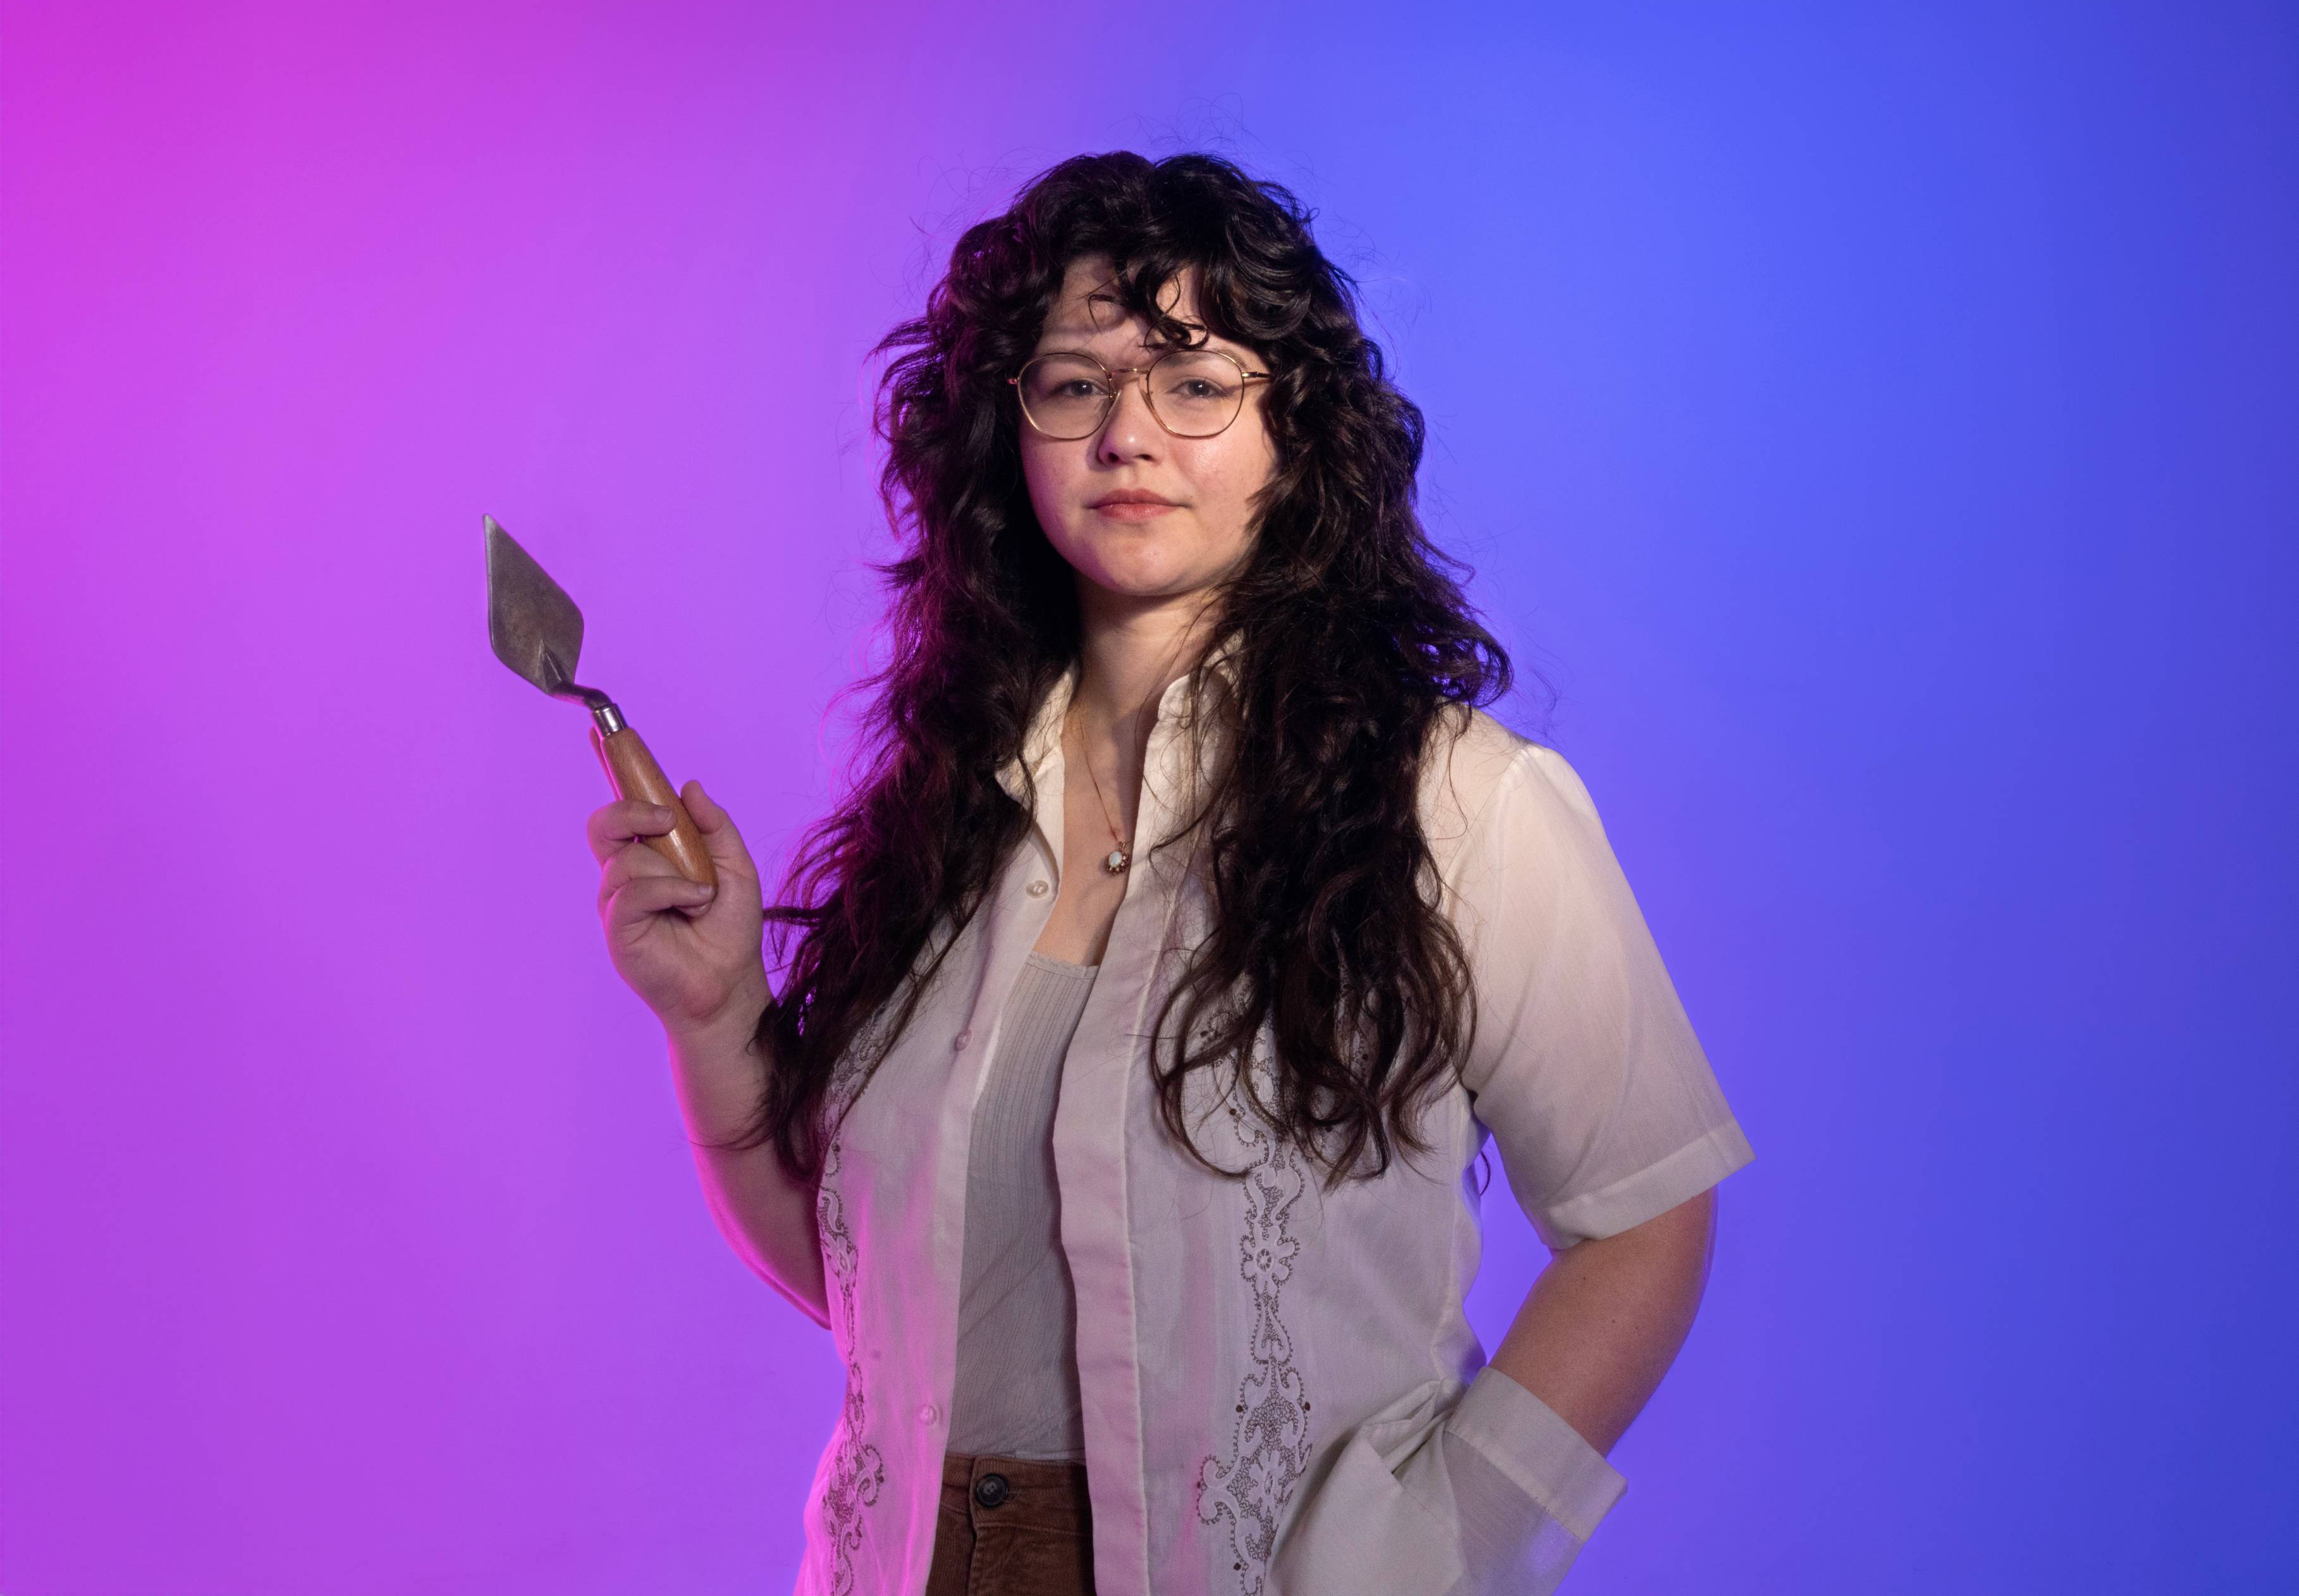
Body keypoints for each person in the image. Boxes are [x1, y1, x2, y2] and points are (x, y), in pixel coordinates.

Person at [584, 152, 1755, 1596]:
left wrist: (1440, 1549)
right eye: (1073, 383)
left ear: (1293, 430)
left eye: (1195, 381)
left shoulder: (1456, 801)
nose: (1128, 432)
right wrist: (713, 1022)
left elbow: (1647, 1213)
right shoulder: (949, 812)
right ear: (1006, 435)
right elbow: (881, 1294)